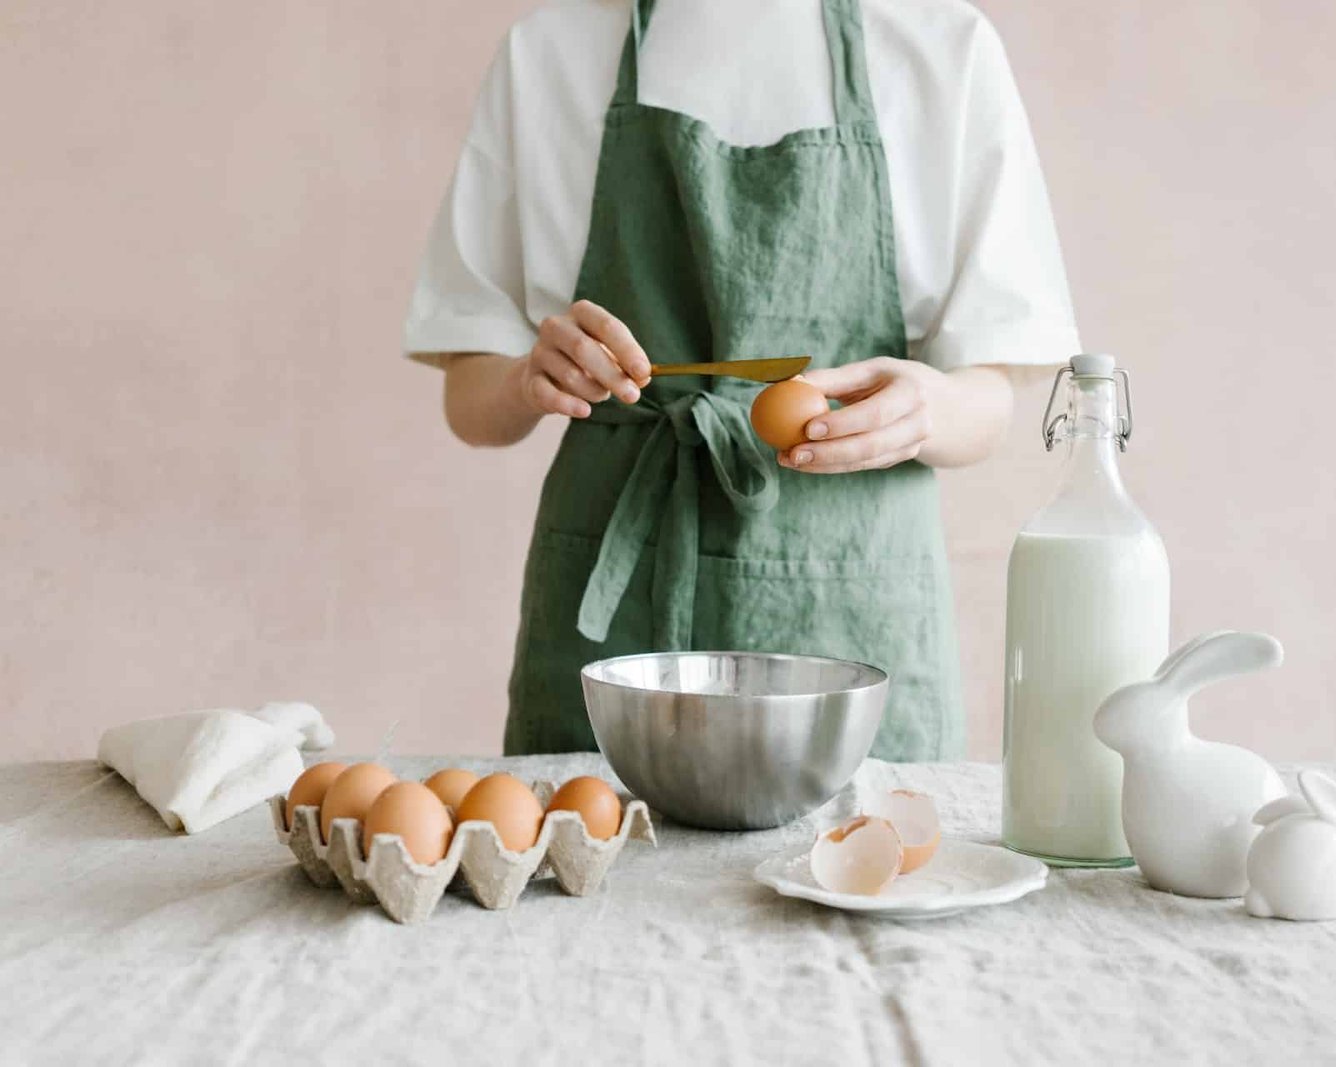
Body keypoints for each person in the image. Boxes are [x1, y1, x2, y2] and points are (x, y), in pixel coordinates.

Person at [403, 0, 1079, 761]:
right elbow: (470, 399)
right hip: (615, 608)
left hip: (851, 601)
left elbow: (988, 400)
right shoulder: (550, 53)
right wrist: (530, 378)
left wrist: (929, 409)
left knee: (857, 856)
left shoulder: (939, 48)